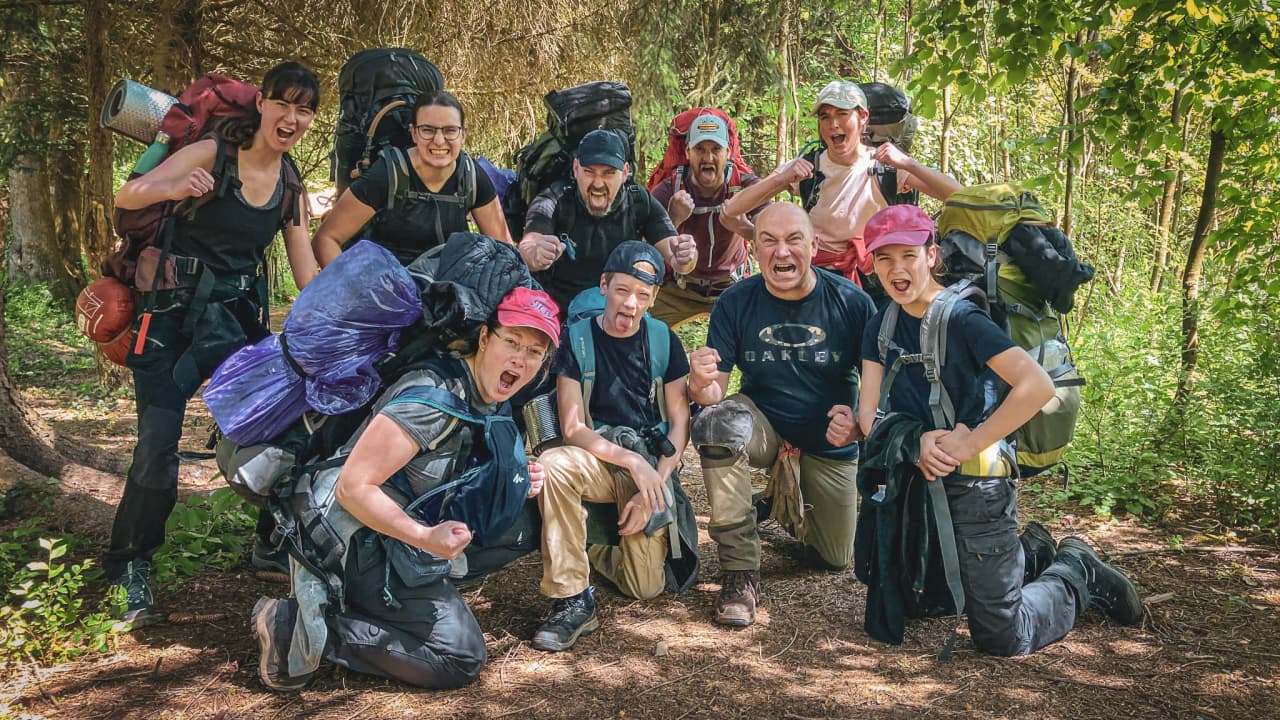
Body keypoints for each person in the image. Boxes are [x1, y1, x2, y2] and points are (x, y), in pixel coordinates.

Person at [855, 205, 1143, 656]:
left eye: (908, 255)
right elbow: (868, 416)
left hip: (977, 486)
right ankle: (1031, 554)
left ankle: (1076, 571)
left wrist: (969, 441)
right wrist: (917, 441)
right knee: (921, 599)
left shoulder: (963, 319)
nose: (897, 269)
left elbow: (1036, 385)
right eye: (885, 258)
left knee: (1004, 636)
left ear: (931, 256)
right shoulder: (881, 322)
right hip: (919, 479)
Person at [252, 287, 561, 690]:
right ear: (485, 338)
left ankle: (409, 591)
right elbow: (352, 488)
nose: (520, 359)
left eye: (534, 352)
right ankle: (301, 626)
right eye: (512, 342)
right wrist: (425, 537)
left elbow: (457, 464)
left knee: (524, 519)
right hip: (346, 534)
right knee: (458, 659)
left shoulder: (489, 392)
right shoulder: (431, 400)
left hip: (399, 523)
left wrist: (514, 476)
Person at [105, 61, 321, 627]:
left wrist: (361, 306)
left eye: (304, 110)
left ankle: (272, 542)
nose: (291, 118)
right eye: (283, 104)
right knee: (157, 444)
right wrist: (173, 185)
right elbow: (129, 196)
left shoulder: (290, 185)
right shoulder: (213, 153)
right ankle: (130, 566)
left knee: (282, 427)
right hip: (169, 322)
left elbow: (308, 275)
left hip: (235, 324)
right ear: (263, 105)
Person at [687, 203, 874, 627]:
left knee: (832, 558)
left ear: (815, 245)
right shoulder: (736, 301)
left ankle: (775, 502)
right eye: (769, 241)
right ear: (754, 249)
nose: (781, 252)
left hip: (829, 438)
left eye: (793, 240)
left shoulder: (852, 303)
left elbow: (880, 388)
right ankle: (740, 572)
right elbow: (715, 389)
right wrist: (700, 383)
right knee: (717, 423)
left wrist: (860, 426)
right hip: (763, 426)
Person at [531, 242, 693, 652]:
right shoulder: (576, 340)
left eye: (643, 295)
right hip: (601, 457)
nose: (631, 304)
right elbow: (572, 427)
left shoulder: (664, 341)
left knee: (645, 588)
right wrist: (630, 462)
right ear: (604, 285)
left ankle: (583, 542)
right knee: (552, 465)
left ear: (655, 298)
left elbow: (679, 423)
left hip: (649, 465)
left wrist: (652, 480)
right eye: (622, 290)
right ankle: (572, 597)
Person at [722, 80, 960, 290]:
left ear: (863, 118)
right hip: (820, 279)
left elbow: (959, 196)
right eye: (825, 117)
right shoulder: (808, 167)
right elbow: (732, 210)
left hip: (877, 278)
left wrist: (909, 164)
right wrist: (782, 179)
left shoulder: (886, 165)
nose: (833, 124)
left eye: (842, 114)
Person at [313, 90, 511, 267]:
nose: (439, 140)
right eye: (428, 130)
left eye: (450, 130)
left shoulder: (471, 176)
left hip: (447, 292)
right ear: (414, 133)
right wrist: (351, 292)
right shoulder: (387, 174)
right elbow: (326, 239)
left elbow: (506, 251)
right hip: (385, 291)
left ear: (463, 135)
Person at [519, 129, 698, 316]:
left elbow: (677, 257)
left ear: (624, 173)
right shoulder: (554, 199)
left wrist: (686, 256)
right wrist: (536, 254)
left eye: (608, 173)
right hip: (558, 314)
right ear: (575, 169)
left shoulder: (638, 202)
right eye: (589, 172)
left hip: (617, 312)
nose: (598, 183)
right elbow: (528, 245)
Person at [648, 113, 763, 328]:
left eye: (716, 150)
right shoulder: (669, 189)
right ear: (687, 152)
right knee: (640, 328)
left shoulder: (745, 186)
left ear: (728, 153)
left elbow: (775, 235)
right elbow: (644, 250)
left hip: (732, 287)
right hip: (678, 290)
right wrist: (673, 219)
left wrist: (743, 228)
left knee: (762, 334)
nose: (708, 158)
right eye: (700, 149)